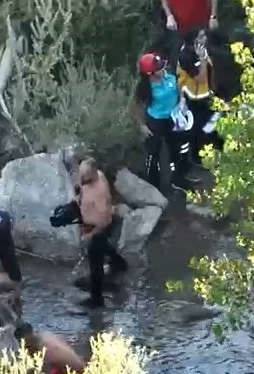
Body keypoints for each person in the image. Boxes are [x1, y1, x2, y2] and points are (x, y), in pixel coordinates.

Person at [74, 159, 129, 308]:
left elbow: (104, 221)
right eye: (80, 174)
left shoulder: (100, 191)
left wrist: (89, 235)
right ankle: (119, 263)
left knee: (95, 259)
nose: (81, 178)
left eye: (84, 176)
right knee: (104, 247)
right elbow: (82, 189)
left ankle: (96, 298)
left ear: (93, 174)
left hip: (99, 228)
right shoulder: (92, 177)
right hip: (89, 224)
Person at [132, 52, 190, 192]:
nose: (163, 68)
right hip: (155, 123)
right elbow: (136, 106)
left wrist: (182, 100)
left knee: (178, 149)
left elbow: (179, 88)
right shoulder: (144, 89)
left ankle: (178, 179)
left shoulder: (168, 77)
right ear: (150, 73)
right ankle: (153, 184)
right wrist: (142, 126)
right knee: (153, 155)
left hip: (173, 120)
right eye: (158, 67)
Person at [177, 34, 225, 169]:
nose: (205, 37)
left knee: (214, 122)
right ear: (195, 41)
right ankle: (197, 157)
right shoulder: (186, 56)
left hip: (208, 95)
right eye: (202, 36)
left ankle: (218, 148)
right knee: (198, 130)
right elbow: (200, 78)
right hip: (196, 98)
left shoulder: (202, 49)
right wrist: (203, 59)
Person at [15, 322, 86, 374]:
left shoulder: (46, 350)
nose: (23, 348)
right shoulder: (45, 335)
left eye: (26, 346)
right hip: (74, 366)